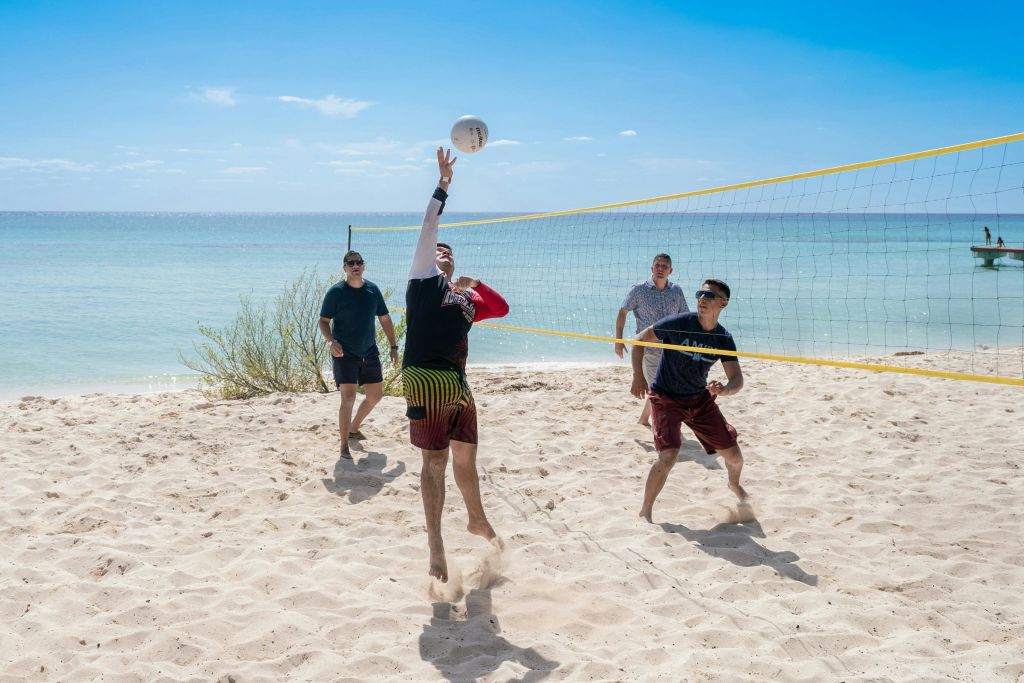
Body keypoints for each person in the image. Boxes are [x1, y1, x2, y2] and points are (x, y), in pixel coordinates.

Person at [404, 147, 510, 583]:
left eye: (449, 252)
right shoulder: (422, 279)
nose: (442, 253)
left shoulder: (465, 300)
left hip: (458, 385)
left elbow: (501, 308)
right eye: (439, 251)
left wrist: (474, 283)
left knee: (467, 459)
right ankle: (435, 546)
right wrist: (444, 184)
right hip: (425, 379)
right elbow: (431, 225)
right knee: (435, 465)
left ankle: (476, 519)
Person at [630, 278, 748, 523]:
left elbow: (737, 378)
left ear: (723, 304)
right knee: (668, 456)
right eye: (700, 294)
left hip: (699, 400)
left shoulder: (723, 338)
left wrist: (726, 389)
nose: (702, 299)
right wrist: (638, 375)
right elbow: (640, 340)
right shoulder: (680, 323)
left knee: (735, 457)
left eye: (710, 296)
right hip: (666, 398)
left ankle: (734, 486)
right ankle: (645, 511)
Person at [318, 251, 399, 460]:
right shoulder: (336, 292)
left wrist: (393, 346)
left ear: (364, 266)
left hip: (369, 352)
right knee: (348, 398)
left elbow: (385, 318)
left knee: (375, 396)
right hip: (344, 353)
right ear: (344, 267)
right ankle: (344, 447)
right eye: (350, 263)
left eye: (359, 262)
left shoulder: (373, 290)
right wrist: (331, 341)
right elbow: (323, 321)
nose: (355, 265)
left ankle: (354, 428)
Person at [615, 254, 689, 426]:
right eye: (657, 265)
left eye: (665, 266)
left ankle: (643, 420)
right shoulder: (639, 290)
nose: (661, 269)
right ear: (652, 268)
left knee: (660, 388)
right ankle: (660, 429)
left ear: (671, 270)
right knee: (660, 390)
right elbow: (622, 312)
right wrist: (618, 340)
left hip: (672, 349)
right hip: (648, 350)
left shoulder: (676, 291)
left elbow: (684, 318)